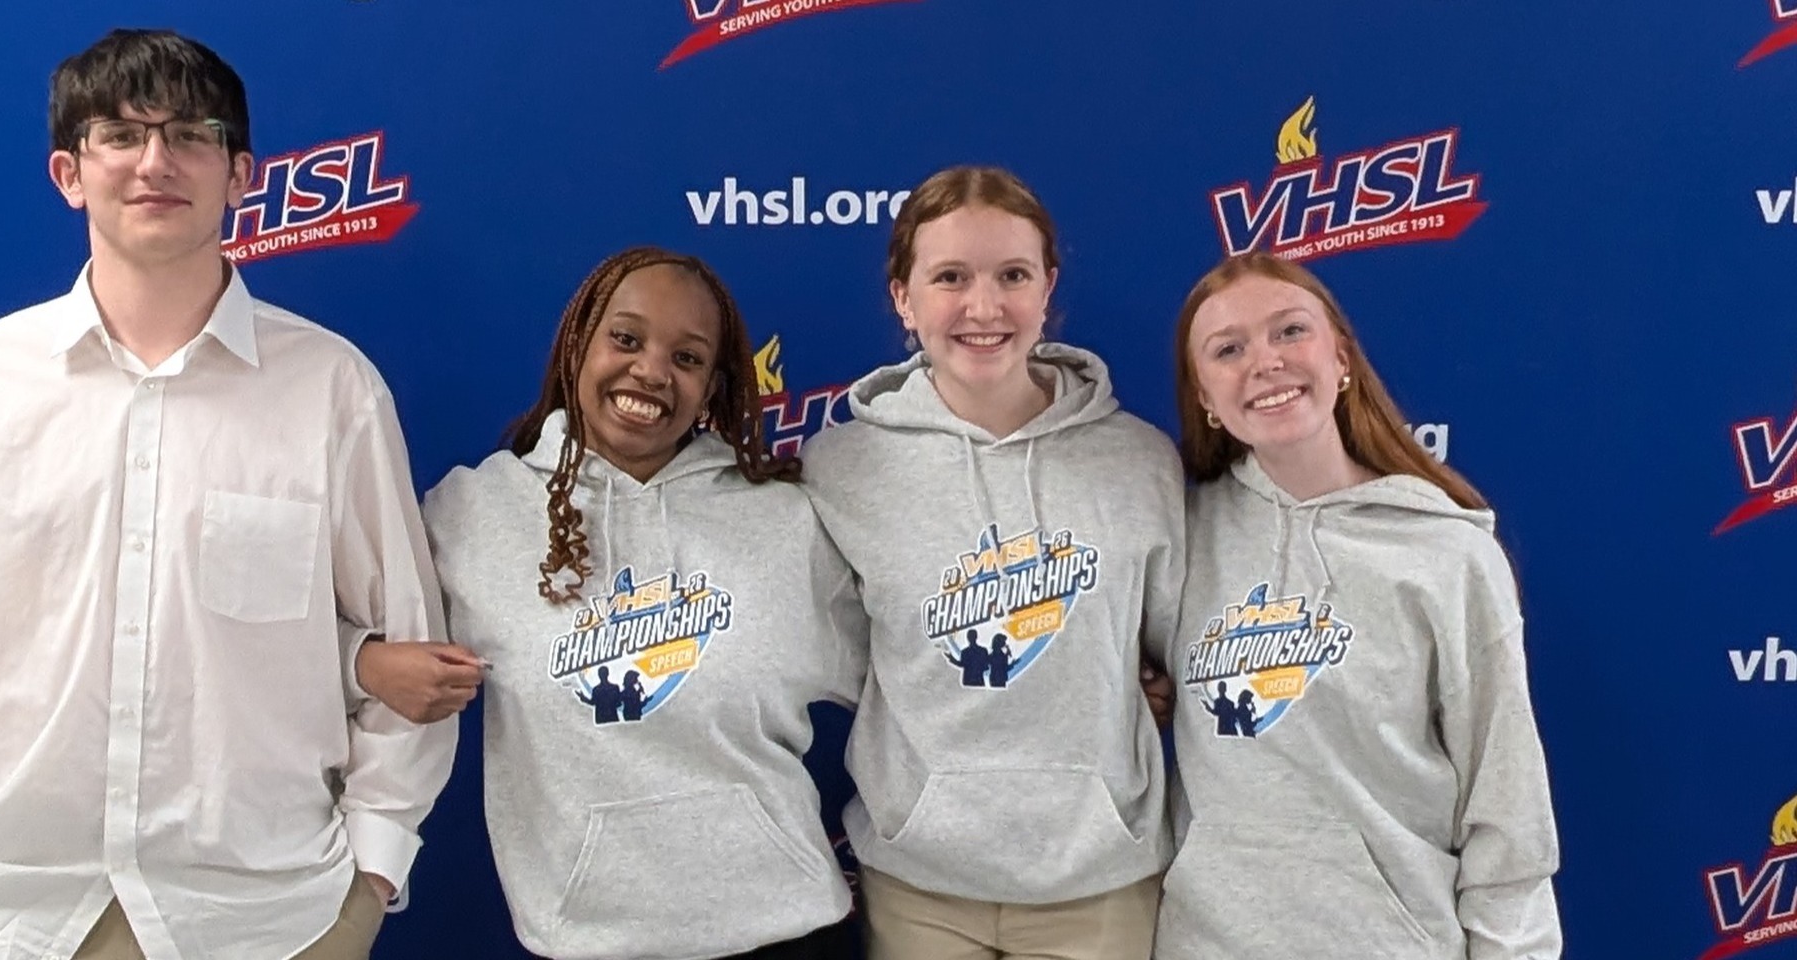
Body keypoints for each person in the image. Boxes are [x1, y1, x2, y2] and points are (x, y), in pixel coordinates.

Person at [0, 29, 455, 960]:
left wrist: (371, 869)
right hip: (7, 913)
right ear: (69, 172)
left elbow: (411, 655)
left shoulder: (331, 389)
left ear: (240, 171)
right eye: (120, 136)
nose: (156, 162)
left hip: (272, 918)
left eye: (190, 134)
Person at [416, 246, 867, 960]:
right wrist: (362, 661)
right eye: (625, 339)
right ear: (578, 345)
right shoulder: (470, 516)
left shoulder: (787, 523)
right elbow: (339, 645)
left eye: (687, 359)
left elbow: (910, 675)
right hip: (588, 940)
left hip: (787, 929)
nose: (651, 370)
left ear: (714, 386)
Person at [801, 166, 1182, 960]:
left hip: (1100, 880)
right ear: (903, 299)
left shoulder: (1140, 460)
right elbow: (817, 654)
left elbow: (1184, 650)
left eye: (1012, 275)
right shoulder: (839, 470)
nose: (984, 307)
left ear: (1049, 289)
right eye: (950, 278)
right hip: (919, 883)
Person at [1157, 251, 1560, 960]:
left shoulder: (1446, 554)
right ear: (1206, 402)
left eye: (1290, 332)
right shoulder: (1179, 542)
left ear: (1340, 358)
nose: (1266, 362)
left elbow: (1507, 805)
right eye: (1228, 349)